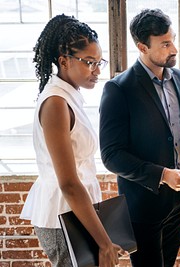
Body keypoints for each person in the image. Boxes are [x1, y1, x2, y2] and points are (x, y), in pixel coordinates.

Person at [99, 8, 180, 267]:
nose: (174, 49)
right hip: (143, 206)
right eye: (166, 44)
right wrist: (162, 175)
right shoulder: (118, 89)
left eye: (174, 40)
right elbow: (111, 156)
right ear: (142, 46)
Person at [20, 14, 127, 266]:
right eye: (89, 62)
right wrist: (104, 243)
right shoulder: (56, 103)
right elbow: (68, 182)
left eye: (100, 61)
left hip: (76, 212)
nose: (98, 70)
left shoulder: (70, 96)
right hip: (61, 215)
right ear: (64, 61)